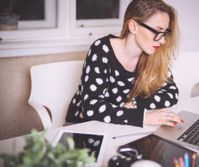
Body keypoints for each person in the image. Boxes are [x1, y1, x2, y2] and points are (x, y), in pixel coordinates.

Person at [65, 0, 184, 128]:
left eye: (165, 33)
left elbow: (171, 93)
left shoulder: (153, 55)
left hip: (120, 127)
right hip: (82, 127)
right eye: (157, 31)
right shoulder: (101, 50)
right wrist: (142, 117)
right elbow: (92, 109)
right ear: (133, 26)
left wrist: (135, 104)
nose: (163, 41)